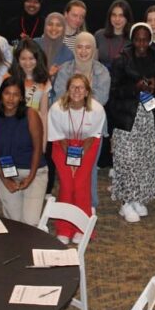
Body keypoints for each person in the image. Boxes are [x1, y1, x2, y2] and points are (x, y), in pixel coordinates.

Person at [108, 23, 155, 223]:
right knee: (126, 160)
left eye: (145, 39)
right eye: (138, 39)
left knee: (144, 159)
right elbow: (113, 91)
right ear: (132, 39)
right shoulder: (121, 60)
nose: (142, 43)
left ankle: (138, 198)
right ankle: (125, 202)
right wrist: (135, 88)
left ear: (150, 39)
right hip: (126, 116)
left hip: (148, 116)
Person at [54, 32, 111, 207]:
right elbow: (59, 97)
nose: (83, 51)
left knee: (89, 169)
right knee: (68, 169)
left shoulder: (101, 71)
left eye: (88, 47)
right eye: (79, 46)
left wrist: (75, 96)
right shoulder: (65, 69)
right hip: (67, 128)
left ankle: (90, 205)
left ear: (94, 49)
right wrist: (83, 97)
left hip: (93, 128)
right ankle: (68, 204)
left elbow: (100, 100)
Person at [47, 74, 106, 241]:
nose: (77, 91)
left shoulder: (97, 109)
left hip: (86, 146)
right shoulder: (57, 109)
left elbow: (92, 137)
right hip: (63, 145)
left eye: (81, 87)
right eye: (73, 87)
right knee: (67, 185)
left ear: (87, 91)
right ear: (67, 89)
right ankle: (64, 229)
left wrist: (78, 160)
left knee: (80, 185)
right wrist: (71, 162)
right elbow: (59, 138)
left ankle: (82, 228)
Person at [0, 79, 47, 226]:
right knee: (13, 223)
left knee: (29, 222)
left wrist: (31, 177)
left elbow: (37, 149)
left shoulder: (31, 115)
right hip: (7, 173)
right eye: (7, 93)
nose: (10, 98)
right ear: (1, 95)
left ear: (22, 97)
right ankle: (15, 249)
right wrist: (4, 180)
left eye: (15, 94)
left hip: (34, 172)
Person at [10, 39, 52, 136]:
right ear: (17, 59)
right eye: (23, 58)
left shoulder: (44, 81)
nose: (27, 63)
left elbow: (44, 114)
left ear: (38, 58)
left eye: (31, 58)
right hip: (12, 130)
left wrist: (43, 145)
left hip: (34, 132)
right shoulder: (9, 78)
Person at [95, 0, 133, 67]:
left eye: (121, 16)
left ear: (127, 18)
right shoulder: (99, 35)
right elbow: (94, 63)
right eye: (114, 15)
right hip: (101, 75)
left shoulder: (132, 38)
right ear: (109, 17)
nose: (117, 19)